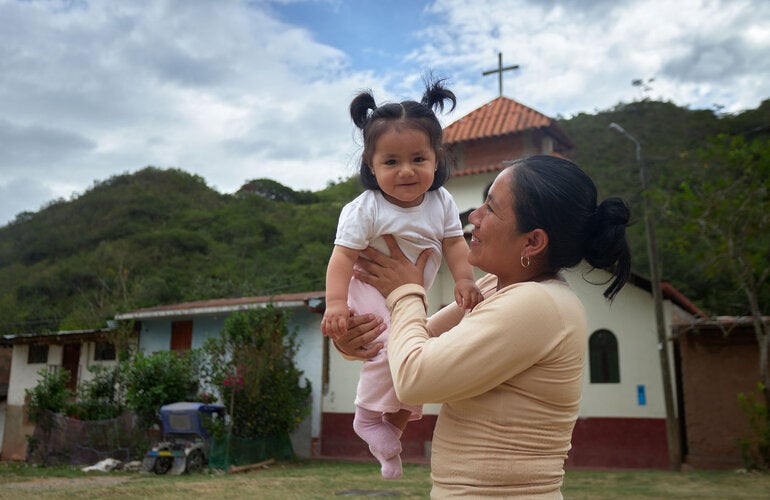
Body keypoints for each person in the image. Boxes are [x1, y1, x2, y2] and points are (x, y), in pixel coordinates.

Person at [333, 154, 631, 497]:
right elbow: (416, 340)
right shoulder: (495, 287)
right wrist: (356, 342)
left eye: (491, 208)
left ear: (532, 242)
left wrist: (404, 292)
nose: (473, 216)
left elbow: (414, 377)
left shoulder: (538, 304)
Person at [321, 77, 483, 479]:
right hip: (371, 291)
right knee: (392, 349)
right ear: (371, 166)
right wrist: (337, 304)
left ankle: (391, 434)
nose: (406, 171)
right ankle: (366, 415)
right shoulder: (366, 209)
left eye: (418, 159)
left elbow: (455, 245)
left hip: (409, 296)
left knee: (415, 355)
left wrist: (465, 280)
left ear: (437, 158)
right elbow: (341, 259)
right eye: (391, 162)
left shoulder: (441, 201)